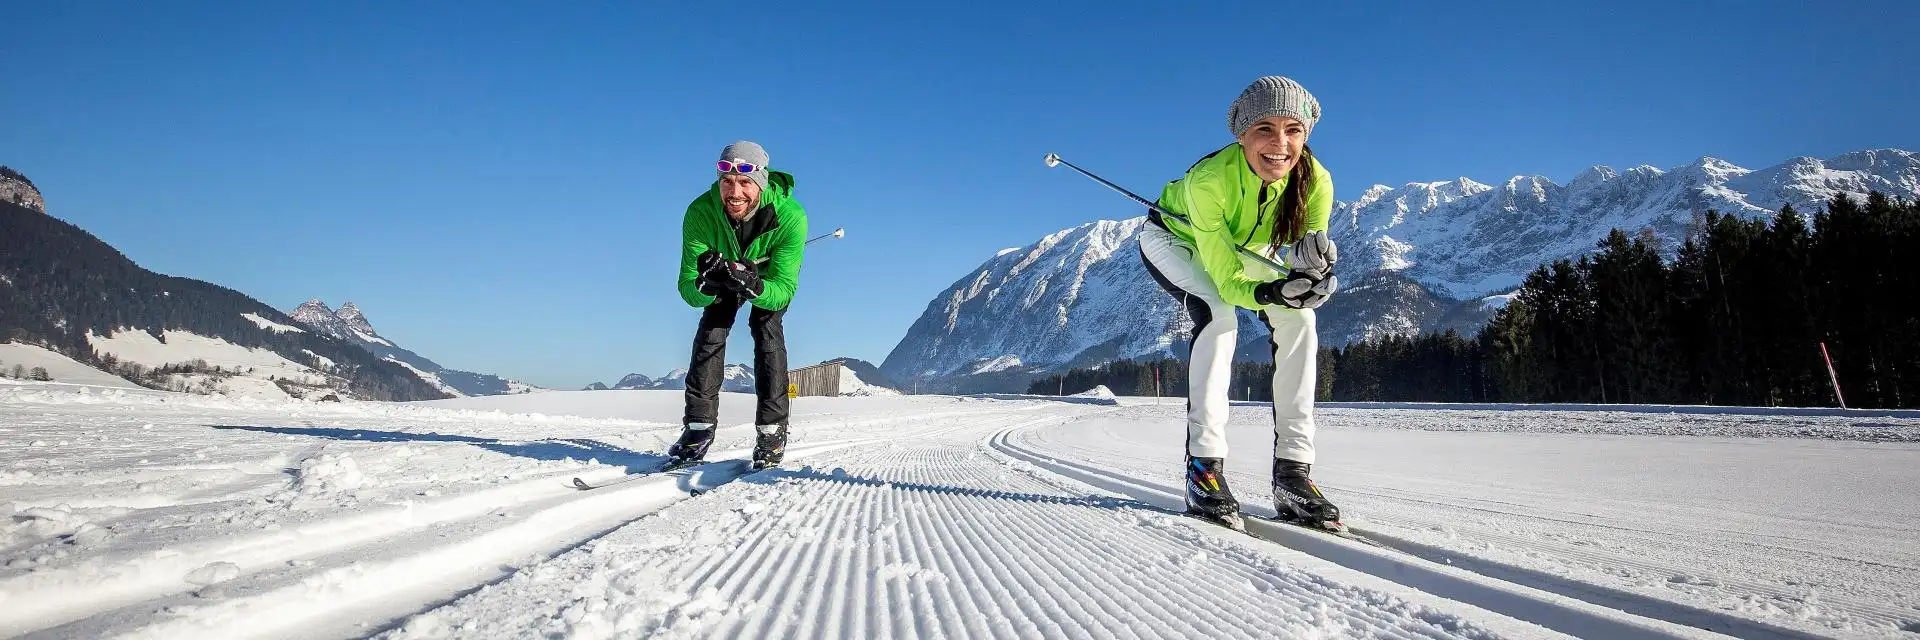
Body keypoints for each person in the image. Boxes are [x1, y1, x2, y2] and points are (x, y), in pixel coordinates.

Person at [1137, 76, 1343, 531]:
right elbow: (1226, 279)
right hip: (1178, 240)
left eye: (1293, 130)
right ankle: (1204, 468)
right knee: (1219, 317)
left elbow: (1303, 255)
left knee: (1301, 321)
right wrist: (1272, 291)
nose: (1280, 143)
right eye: (1264, 129)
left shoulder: (1317, 182)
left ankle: (1293, 473)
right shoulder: (1209, 182)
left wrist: (1313, 277)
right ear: (1241, 134)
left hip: (1248, 252)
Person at [669, 140, 808, 470]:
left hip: (766, 276)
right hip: (723, 271)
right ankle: (698, 429)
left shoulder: (791, 217)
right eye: (727, 182)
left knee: (766, 328)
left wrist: (755, 285)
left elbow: (783, 289)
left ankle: (772, 432)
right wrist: (705, 286)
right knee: (712, 327)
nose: (735, 193)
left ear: (759, 182)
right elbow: (688, 288)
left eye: (745, 182)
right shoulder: (700, 213)